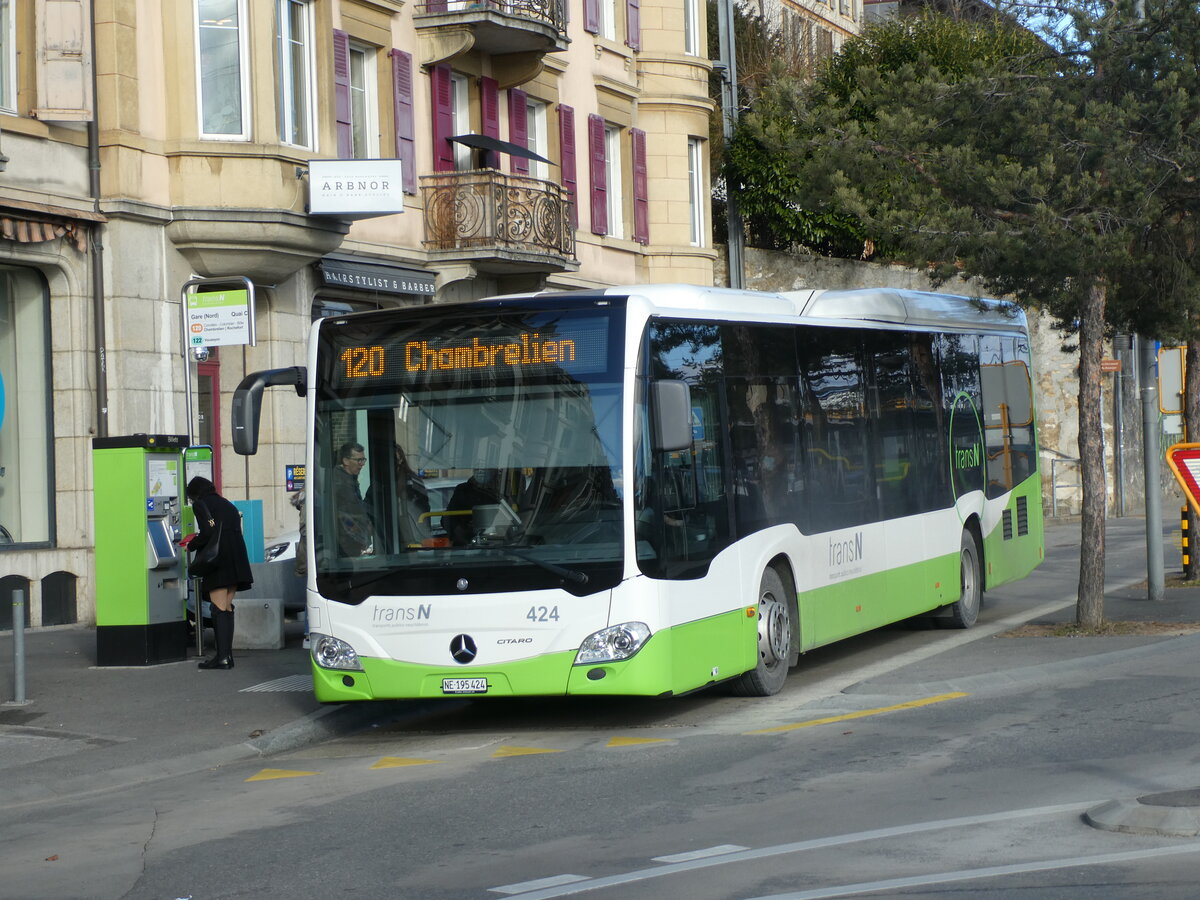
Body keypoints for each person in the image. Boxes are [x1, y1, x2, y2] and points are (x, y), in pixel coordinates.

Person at [185, 476, 253, 670]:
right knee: (226, 607)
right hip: (236, 559)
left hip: (219, 561)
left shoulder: (201, 505)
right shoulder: (227, 504)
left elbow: (207, 533)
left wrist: (192, 544)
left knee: (218, 608)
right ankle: (227, 656)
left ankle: (222, 657)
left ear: (195, 493)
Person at [443, 468, 503, 546]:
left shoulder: (501, 491)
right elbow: (449, 519)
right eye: (477, 468)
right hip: (464, 543)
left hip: (496, 541)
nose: (480, 471)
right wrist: (462, 530)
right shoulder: (462, 490)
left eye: (485, 468)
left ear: (494, 471)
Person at [333, 441, 374, 556]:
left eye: (363, 460)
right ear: (346, 461)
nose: (362, 464)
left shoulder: (350, 479)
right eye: (358, 460)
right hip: (346, 545)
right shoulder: (339, 483)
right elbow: (346, 516)